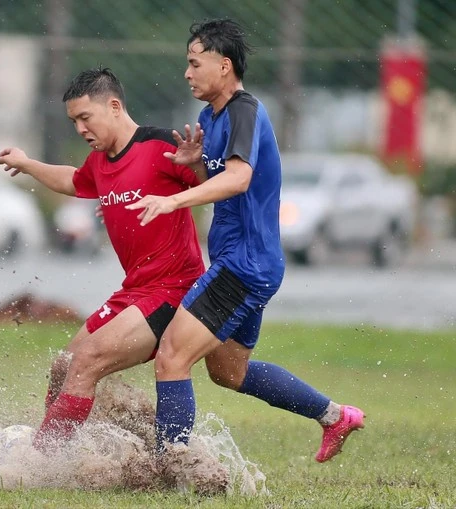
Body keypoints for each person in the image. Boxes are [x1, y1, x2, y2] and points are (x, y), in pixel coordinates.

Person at [126, 18, 365, 463]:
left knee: (172, 357)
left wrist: (174, 201)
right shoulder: (209, 117)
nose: (187, 73)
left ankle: (173, 467)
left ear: (224, 65)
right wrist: (196, 167)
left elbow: (238, 180)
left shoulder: (243, 111)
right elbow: (223, 182)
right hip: (245, 262)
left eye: (195, 63)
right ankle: (335, 416)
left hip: (244, 264)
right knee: (228, 372)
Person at [0, 67, 208, 449]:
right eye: (74, 121)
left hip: (174, 291)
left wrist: (196, 166)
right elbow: (73, 180)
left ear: (113, 106)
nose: (80, 128)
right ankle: (66, 445)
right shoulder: (100, 161)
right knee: (64, 366)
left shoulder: (161, 146)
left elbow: (216, 189)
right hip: (135, 291)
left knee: (87, 362)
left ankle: (44, 460)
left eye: (84, 117)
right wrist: (27, 164)